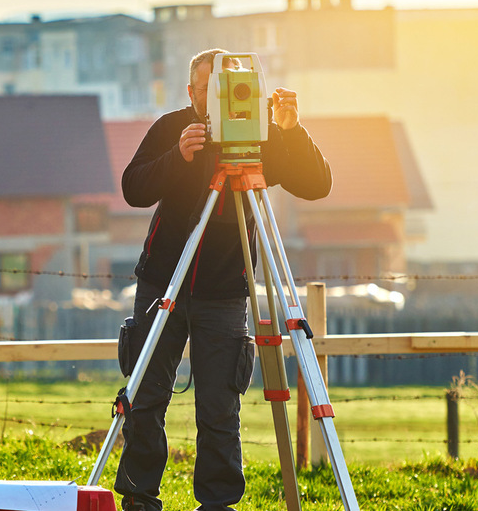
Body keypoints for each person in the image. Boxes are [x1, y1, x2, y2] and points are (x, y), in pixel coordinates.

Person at [116, 48, 332, 511]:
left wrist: (292, 132)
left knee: (219, 407)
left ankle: (216, 504)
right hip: (162, 283)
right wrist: (177, 157)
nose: (212, 100)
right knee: (147, 396)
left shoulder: (257, 135)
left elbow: (317, 184)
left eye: (223, 90)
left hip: (225, 291)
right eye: (204, 90)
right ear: (191, 91)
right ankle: (138, 497)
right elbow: (133, 187)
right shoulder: (172, 128)